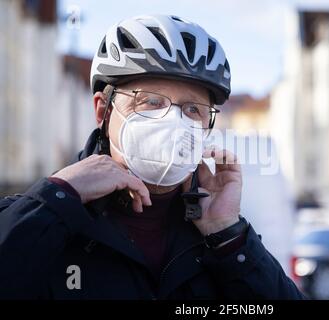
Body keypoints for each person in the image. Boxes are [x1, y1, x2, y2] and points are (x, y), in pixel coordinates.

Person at [0, 15, 304, 299]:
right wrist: (60, 196)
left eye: (192, 110)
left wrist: (227, 234)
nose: (172, 121)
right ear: (103, 111)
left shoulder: (219, 238)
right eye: (151, 102)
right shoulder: (43, 214)